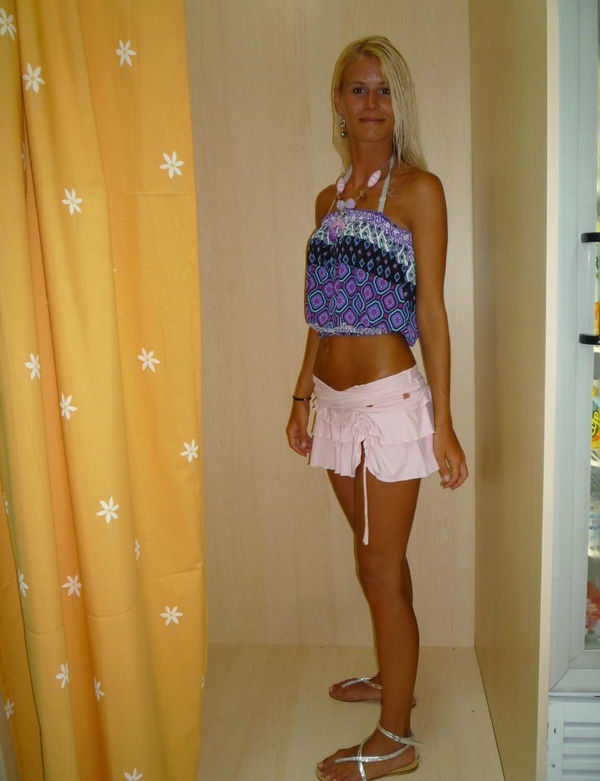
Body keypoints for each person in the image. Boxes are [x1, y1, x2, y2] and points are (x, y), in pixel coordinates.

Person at [285, 36, 468, 780]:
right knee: (376, 564)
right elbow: (320, 313)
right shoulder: (328, 201)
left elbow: (432, 313)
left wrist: (444, 423)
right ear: (338, 101)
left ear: (400, 104)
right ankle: (398, 682)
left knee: (379, 567)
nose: (371, 103)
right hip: (332, 404)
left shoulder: (419, 190)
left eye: (384, 90)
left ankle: (396, 737)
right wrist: (302, 395)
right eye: (358, 89)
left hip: (388, 403)